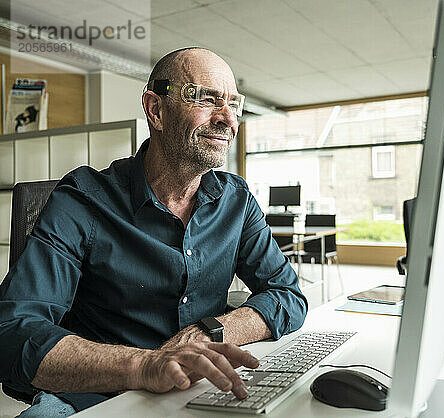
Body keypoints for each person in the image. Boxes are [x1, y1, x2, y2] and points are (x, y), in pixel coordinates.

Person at [0, 47, 308, 417]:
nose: (228, 118)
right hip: (102, 393)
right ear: (157, 110)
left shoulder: (236, 201)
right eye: (207, 98)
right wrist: (146, 365)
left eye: (233, 103)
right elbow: (13, 331)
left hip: (207, 384)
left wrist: (210, 333)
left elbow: (288, 295)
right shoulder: (83, 200)